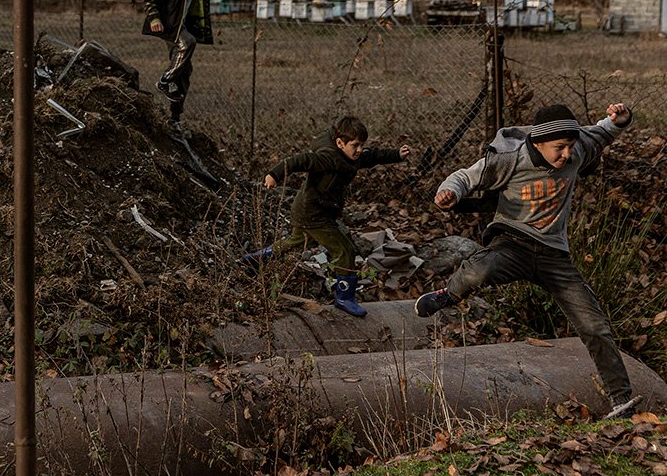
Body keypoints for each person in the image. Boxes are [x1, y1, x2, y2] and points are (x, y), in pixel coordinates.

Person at [414, 102, 641, 421]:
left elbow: (603, 133)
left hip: (554, 256)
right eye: (559, 148)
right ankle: (447, 295)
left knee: (594, 324)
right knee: (480, 270)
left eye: (570, 146)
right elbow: (466, 176)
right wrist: (448, 192)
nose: (566, 155)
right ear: (538, 142)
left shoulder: (577, 150)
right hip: (513, 245)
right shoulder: (510, 160)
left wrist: (620, 120)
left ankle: (621, 399)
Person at [257, 116, 411, 317]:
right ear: (339, 143)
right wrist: (274, 174)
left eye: (361, 145)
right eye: (355, 145)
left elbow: (373, 156)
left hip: (310, 210)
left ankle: (256, 258)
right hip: (313, 214)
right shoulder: (327, 158)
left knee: (296, 241)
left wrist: (397, 155)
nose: (359, 150)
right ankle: (344, 297)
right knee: (345, 250)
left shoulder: (351, 156)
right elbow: (299, 160)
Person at [141, 0, 216, 127]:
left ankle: (174, 118)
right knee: (187, 42)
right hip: (169, 25)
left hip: (183, 24)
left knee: (185, 72)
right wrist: (154, 18)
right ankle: (164, 81)